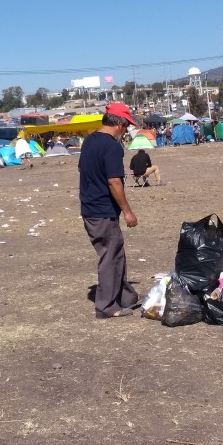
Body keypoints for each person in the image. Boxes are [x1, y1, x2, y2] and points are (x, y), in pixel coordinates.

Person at [78, 103, 140, 319]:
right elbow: (114, 181)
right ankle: (106, 307)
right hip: (102, 210)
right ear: (119, 124)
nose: (125, 132)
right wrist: (127, 211)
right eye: (126, 126)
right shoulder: (112, 146)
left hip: (90, 207)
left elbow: (83, 170)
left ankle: (126, 298)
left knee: (116, 254)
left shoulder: (89, 141)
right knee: (109, 256)